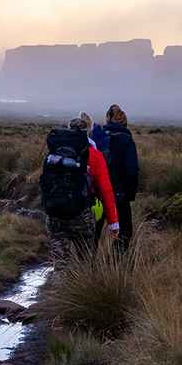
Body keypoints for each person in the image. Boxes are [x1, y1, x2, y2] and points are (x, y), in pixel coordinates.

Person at [40, 114, 119, 267]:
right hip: (82, 216)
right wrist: (113, 222)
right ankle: (81, 289)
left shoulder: (54, 154)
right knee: (85, 262)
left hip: (55, 215)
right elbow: (106, 190)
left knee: (60, 264)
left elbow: (45, 183)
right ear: (87, 132)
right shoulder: (95, 155)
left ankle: (60, 288)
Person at [102, 104, 139, 252]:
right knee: (125, 231)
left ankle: (88, 263)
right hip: (119, 193)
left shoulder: (98, 137)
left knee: (95, 231)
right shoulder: (126, 140)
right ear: (125, 121)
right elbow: (132, 170)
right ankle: (117, 263)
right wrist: (130, 194)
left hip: (97, 192)